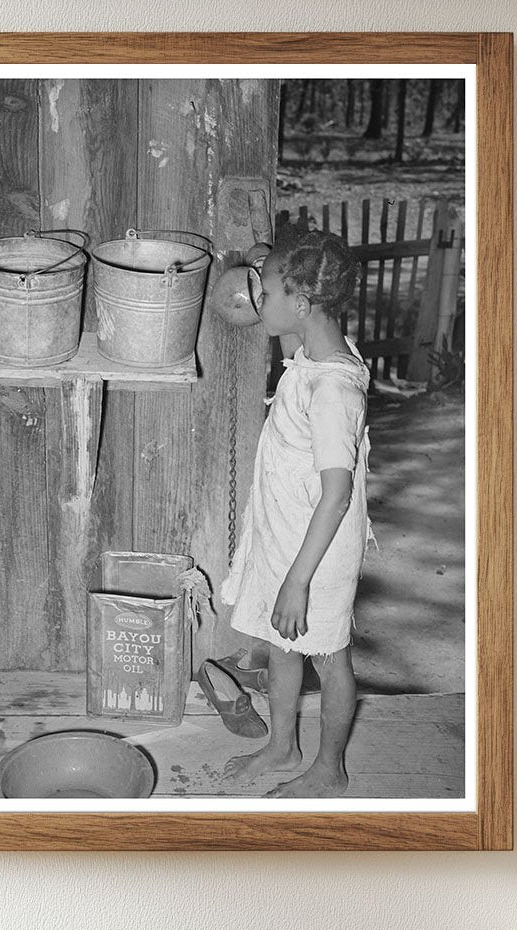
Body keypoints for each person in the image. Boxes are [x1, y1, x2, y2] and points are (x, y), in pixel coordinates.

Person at [214, 228, 372, 798]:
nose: (259, 301)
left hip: (319, 553)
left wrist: (297, 583)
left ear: (302, 305)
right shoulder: (314, 351)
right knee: (284, 646)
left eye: (269, 292)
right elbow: (292, 330)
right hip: (290, 533)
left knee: (328, 658)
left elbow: (336, 494)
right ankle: (283, 748)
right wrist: (268, 264)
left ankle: (330, 770)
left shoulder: (333, 392)